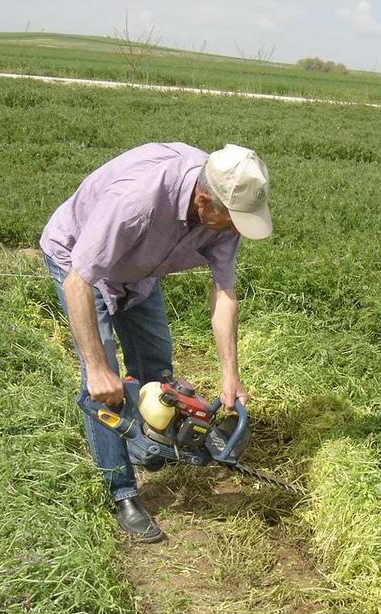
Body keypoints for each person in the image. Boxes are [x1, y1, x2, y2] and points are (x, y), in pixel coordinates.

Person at [40, 142, 272, 543]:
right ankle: (122, 492)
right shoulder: (137, 202)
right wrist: (97, 368)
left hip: (140, 267)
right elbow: (80, 280)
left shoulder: (224, 210)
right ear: (203, 203)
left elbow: (224, 293)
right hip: (80, 261)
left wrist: (230, 374)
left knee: (157, 368)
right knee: (104, 386)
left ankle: (144, 446)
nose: (236, 230)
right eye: (232, 221)